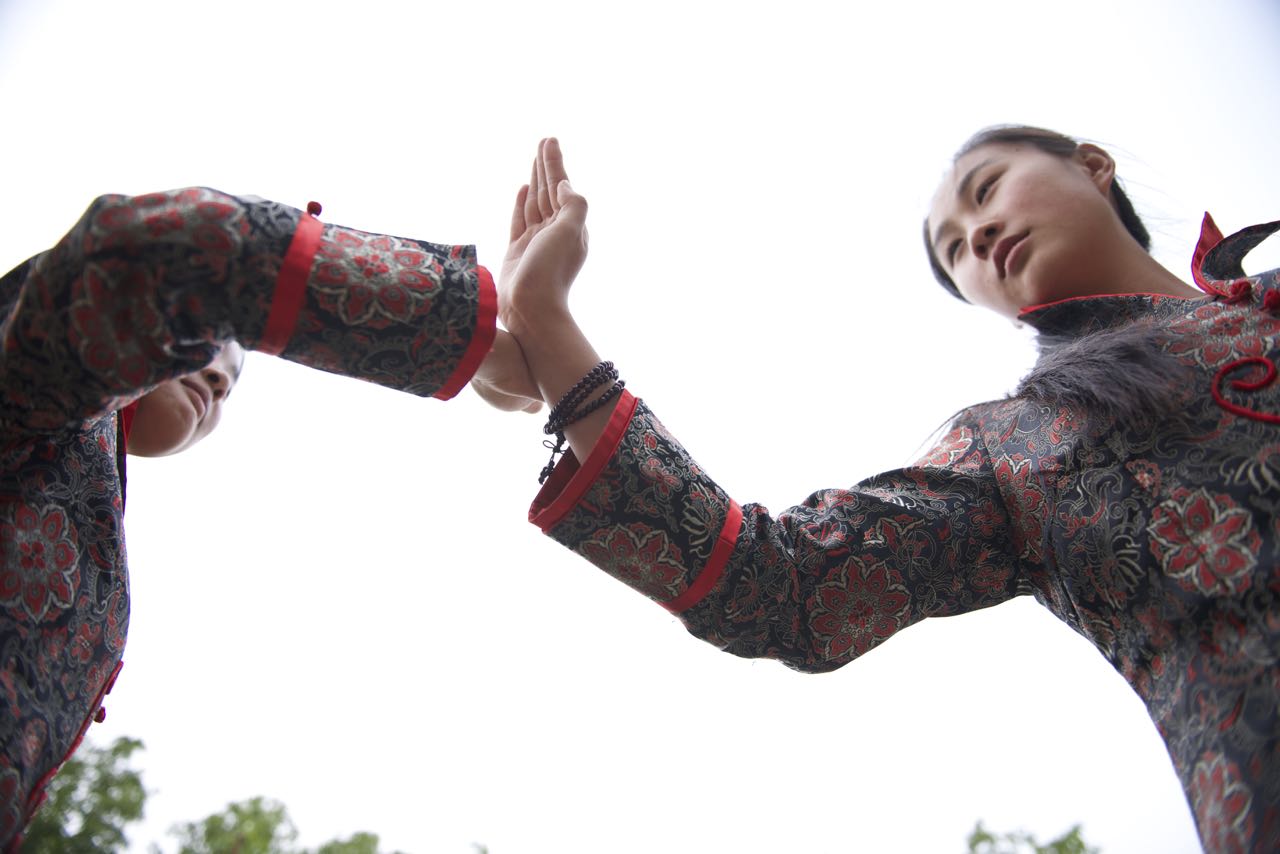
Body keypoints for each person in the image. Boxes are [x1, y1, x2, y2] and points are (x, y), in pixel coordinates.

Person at [502, 133, 1280, 852]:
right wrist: (546, 328)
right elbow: (778, 584)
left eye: (987, 189)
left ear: (1093, 163)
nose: (978, 236)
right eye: (954, 251)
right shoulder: (1019, 449)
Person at [0, 184, 542, 849]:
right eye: (205, 346)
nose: (218, 380)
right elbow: (170, 249)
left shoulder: (79, 490)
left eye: (231, 383)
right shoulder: (28, 386)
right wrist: (476, 343)